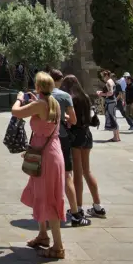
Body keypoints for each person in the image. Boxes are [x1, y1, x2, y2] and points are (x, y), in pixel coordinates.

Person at [12, 72, 67, 260]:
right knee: (40, 194)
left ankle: (58, 247)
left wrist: (19, 99)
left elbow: (16, 112)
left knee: (49, 197)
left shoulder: (40, 104)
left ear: (38, 86)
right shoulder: (54, 103)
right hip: (50, 152)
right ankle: (43, 235)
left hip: (45, 156)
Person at [60, 75, 106, 219]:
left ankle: (78, 208)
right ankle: (98, 206)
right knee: (87, 171)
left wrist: (64, 117)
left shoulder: (71, 98)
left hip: (76, 137)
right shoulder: (85, 96)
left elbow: (73, 120)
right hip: (87, 135)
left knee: (77, 174)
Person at [49, 70, 86, 227]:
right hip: (61, 137)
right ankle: (76, 213)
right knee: (67, 176)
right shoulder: (64, 96)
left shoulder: (41, 97)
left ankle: (48, 212)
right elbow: (74, 120)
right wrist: (63, 116)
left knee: (46, 177)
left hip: (44, 140)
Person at [99, 71, 120, 143]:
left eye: (103, 76)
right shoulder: (111, 81)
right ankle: (117, 136)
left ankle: (116, 137)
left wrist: (101, 94)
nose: (102, 78)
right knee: (113, 117)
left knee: (112, 118)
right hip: (112, 101)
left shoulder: (108, 82)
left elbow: (110, 93)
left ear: (106, 76)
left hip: (110, 101)